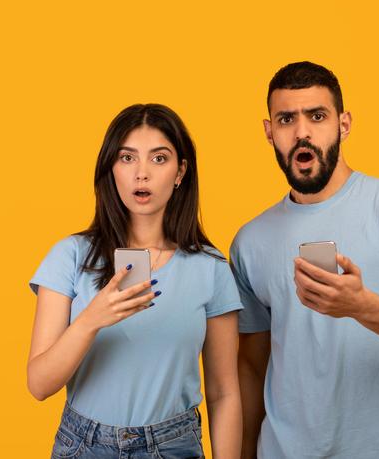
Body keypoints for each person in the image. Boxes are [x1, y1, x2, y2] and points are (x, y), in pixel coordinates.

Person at [231, 62, 379, 459]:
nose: (302, 132)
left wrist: (363, 307)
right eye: (286, 119)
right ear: (269, 131)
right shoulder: (250, 240)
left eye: (317, 116)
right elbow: (251, 370)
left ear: (343, 125)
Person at [27, 103, 243, 459]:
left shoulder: (211, 267)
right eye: (127, 158)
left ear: (180, 172)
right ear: (111, 168)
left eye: (159, 159)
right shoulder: (70, 256)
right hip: (84, 445)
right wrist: (92, 319)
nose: (141, 173)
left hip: (174, 445)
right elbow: (39, 385)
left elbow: (224, 392)